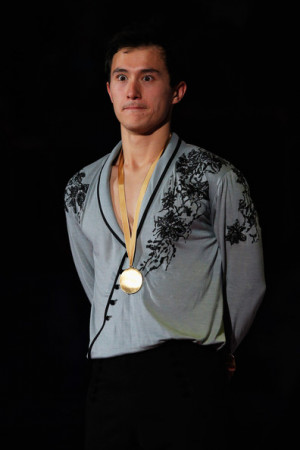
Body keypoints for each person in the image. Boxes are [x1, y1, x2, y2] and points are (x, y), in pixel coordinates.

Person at [64, 24, 266, 450]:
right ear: (108, 89)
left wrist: (222, 351)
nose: (133, 90)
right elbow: (93, 276)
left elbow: (248, 280)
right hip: (106, 373)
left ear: (177, 91)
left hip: (184, 369)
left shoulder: (216, 176)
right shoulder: (79, 187)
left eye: (148, 77)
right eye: (122, 77)